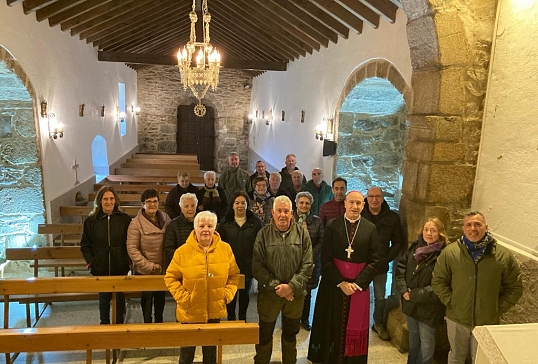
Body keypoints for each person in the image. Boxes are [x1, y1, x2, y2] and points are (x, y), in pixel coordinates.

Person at [432, 211, 523, 364]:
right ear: (463, 228)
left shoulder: (502, 256)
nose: (473, 228)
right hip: (457, 318)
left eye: (477, 224)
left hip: (486, 321)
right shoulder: (451, 253)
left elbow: (514, 287)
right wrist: (452, 302)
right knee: (456, 357)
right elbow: (438, 281)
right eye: (469, 225)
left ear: (486, 227)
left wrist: (496, 308)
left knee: (481, 359)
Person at [308, 190, 383, 364]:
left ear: (363, 205)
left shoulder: (370, 228)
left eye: (358, 203)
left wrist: (357, 284)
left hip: (358, 288)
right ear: (345, 204)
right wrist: (341, 282)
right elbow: (325, 258)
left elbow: (374, 260)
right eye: (351, 202)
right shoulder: (333, 225)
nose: (354, 207)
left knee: (353, 324)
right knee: (331, 323)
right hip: (333, 285)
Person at [165, 211, 240, 364]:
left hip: (214, 310)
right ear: (195, 228)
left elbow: (234, 275)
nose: (205, 229)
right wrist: (184, 298)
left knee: (210, 357)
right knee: (186, 356)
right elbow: (170, 277)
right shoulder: (182, 252)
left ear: (215, 228)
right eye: (201, 226)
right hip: (189, 310)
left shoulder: (225, 249)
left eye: (210, 226)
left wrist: (226, 295)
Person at [252, 195, 313, 364]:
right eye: (279, 211)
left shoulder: (302, 234)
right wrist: (278, 287)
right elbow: (257, 267)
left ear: (292, 213)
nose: (282, 215)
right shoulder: (263, 234)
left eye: (286, 211)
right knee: (264, 335)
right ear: (272, 212)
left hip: (295, 296)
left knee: (290, 334)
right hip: (269, 296)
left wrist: (291, 287)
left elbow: (308, 264)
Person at [394, 217, 448, 364]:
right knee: (414, 339)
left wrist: (414, 295)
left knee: (426, 344)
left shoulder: (443, 255)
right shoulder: (414, 248)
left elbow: (440, 285)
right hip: (410, 302)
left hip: (428, 307)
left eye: (433, 230)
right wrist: (404, 290)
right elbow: (401, 269)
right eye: (426, 229)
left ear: (440, 233)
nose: (429, 233)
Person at [80, 185, 132, 324]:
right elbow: (85, 245)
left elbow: (130, 242)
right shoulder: (91, 221)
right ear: (99, 201)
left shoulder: (124, 219)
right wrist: (92, 262)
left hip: (119, 265)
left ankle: (119, 326)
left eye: (111, 198)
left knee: (119, 298)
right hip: (100, 266)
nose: (109, 202)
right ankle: (104, 325)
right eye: (105, 199)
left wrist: (127, 261)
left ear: (115, 201)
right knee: (103, 298)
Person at [361, 186, 406, 341]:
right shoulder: (360, 215)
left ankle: (378, 323)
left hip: (380, 264)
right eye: (371, 196)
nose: (374, 199)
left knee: (380, 296)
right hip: (361, 265)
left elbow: (398, 241)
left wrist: (387, 257)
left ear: (382, 198)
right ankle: (357, 323)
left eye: (378, 196)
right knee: (359, 294)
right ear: (366, 198)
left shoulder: (392, 217)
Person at [127, 188, 171, 323]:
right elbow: (132, 249)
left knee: (160, 299)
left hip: (162, 267)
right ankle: (147, 326)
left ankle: (159, 323)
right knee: (147, 300)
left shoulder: (166, 218)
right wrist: (149, 266)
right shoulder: (136, 223)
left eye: (155, 201)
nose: (152, 204)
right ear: (142, 204)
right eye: (148, 202)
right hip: (145, 270)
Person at [217, 191, 263, 321]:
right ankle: (231, 318)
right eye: (237, 203)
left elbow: (260, 244)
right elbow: (220, 246)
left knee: (245, 294)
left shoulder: (255, 223)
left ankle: (243, 318)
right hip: (230, 267)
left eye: (243, 203)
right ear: (232, 205)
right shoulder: (225, 224)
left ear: (248, 204)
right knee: (231, 294)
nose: (240, 206)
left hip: (248, 265)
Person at [293, 191, 324, 331]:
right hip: (292, 262)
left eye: (307, 203)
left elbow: (322, 241)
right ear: (296, 204)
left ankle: (304, 319)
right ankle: (291, 319)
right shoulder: (289, 218)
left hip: (310, 262)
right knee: (292, 290)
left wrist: (310, 255)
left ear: (310, 205)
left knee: (307, 292)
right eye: (301, 202)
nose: (304, 205)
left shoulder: (317, 221)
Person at [163, 193, 197, 269]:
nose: (190, 209)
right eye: (186, 206)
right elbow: (168, 249)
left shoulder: (201, 223)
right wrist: (184, 259)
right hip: (180, 266)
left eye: (192, 205)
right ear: (181, 208)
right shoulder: (173, 225)